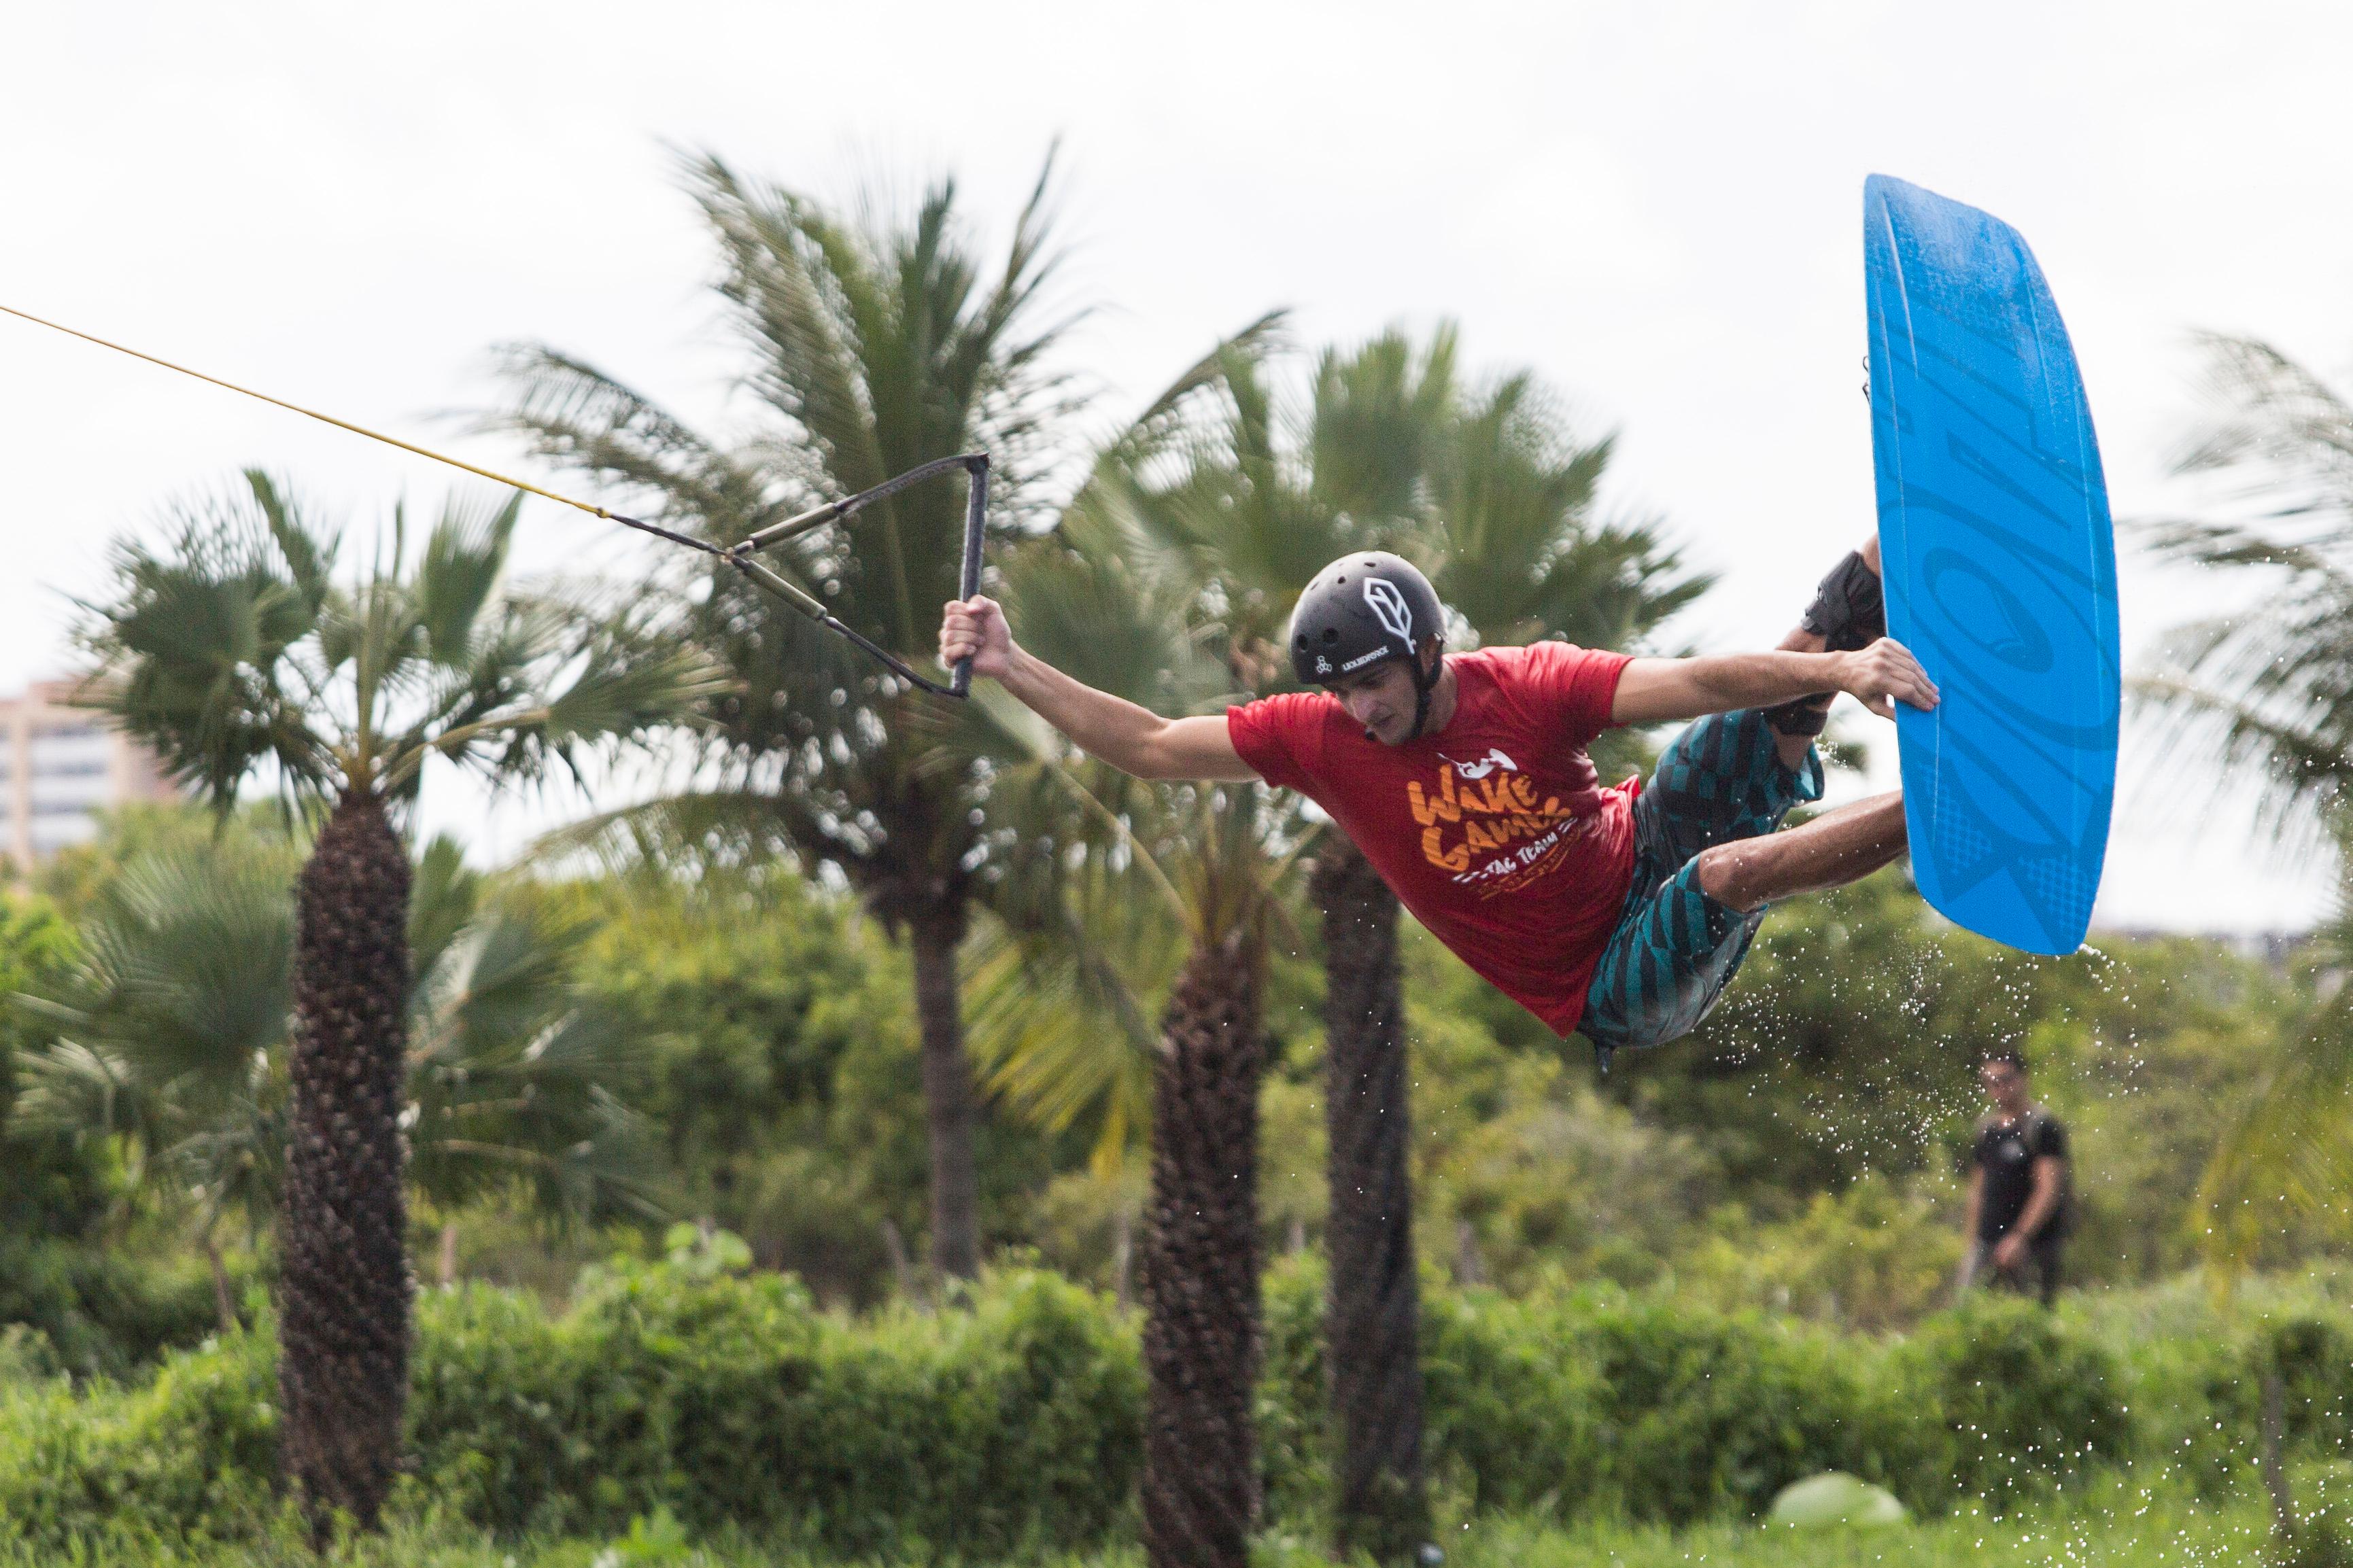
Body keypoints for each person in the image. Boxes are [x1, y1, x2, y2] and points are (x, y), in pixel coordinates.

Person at [936, 542, 1937, 1061]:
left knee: (1803, 656)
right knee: (1728, 873)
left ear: (1425, 652)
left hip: (1638, 842)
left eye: (1374, 683)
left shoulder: (1530, 685)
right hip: (1604, 984)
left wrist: (1844, 665)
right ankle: (1955, 806)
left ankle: (1906, 525)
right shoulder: (1318, 739)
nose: (1359, 709)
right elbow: (1152, 746)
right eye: (1341, 691)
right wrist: (1011, 662)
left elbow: (1702, 681)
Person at [1959, 1049, 2070, 1304]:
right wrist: (1972, 1241)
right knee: (1965, 1315)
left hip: (2034, 1244)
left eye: (2006, 1079)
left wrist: (2020, 1237)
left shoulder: (2042, 1127)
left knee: (2031, 1321)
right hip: (1987, 1242)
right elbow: (1978, 1189)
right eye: (1991, 1082)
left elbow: (2049, 1188)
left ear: (2024, 1078)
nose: (1999, 1088)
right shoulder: (1987, 1129)